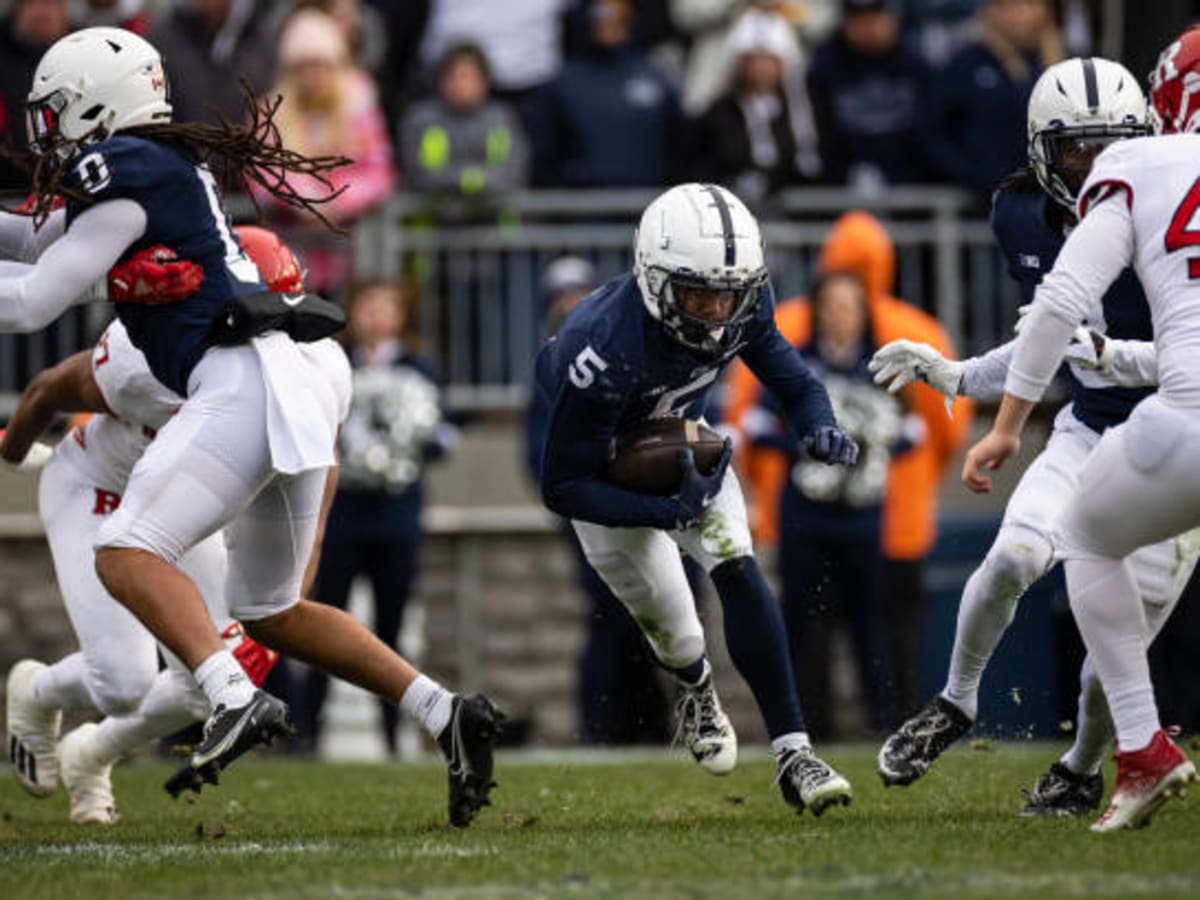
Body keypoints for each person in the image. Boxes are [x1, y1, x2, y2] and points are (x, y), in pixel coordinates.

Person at [0, 28, 501, 827]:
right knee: (271, 610)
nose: (47, 130)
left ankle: (231, 699)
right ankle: (444, 711)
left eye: (56, 111)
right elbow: (37, 238)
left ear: (97, 102)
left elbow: (28, 302)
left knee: (125, 552)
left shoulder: (123, 168)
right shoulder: (160, 172)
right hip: (293, 387)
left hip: (235, 388)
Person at [871, 57, 1200, 824]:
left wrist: (1086, 370)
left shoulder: (1151, 197)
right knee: (1019, 551)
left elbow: (1085, 335)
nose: (1089, 166)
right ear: (1039, 151)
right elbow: (1046, 337)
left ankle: (1083, 768)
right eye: (1073, 150)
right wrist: (956, 379)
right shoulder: (1023, 213)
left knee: (1101, 669)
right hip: (1091, 428)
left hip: (1169, 439)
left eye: (1106, 146)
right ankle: (954, 703)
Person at [533, 182, 859, 816]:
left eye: (725, 294)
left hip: (689, 453)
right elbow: (562, 486)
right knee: (678, 632)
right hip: (606, 481)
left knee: (738, 563)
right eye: (697, 293)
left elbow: (795, 382)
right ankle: (696, 686)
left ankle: (796, 753)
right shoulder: (599, 348)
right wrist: (664, 511)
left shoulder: (744, 296)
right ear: (654, 277)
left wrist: (820, 424)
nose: (714, 309)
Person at [724, 210, 972, 721]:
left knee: (871, 630)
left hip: (871, 514)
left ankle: (878, 725)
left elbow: (744, 417)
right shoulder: (915, 331)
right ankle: (826, 726)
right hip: (822, 512)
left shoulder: (785, 327)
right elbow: (948, 427)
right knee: (832, 628)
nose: (842, 314)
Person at [296, 279, 456, 755]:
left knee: (390, 629)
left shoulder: (418, 368)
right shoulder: (333, 363)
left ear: (402, 315)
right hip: (341, 516)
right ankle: (307, 736)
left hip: (396, 518)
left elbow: (436, 436)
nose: (377, 317)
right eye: (367, 306)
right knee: (322, 624)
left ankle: (393, 737)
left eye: (388, 307)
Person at [525, 255, 672, 745]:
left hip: (651, 507)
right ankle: (600, 726)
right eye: (561, 298)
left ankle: (655, 724)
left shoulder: (633, 349)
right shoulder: (551, 368)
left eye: (578, 296)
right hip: (595, 512)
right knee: (613, 616)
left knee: (666, 618)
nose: (570, 306)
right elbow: (540, 454)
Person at [251, 7, 395, 295]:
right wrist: (305, 202)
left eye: (321, 66)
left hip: (351, 256)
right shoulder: (273, 113)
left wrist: (333, 203)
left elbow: (378, 172)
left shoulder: (359, 108)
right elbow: (261, 174)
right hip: (289, 256)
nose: (314, 76)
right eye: (304, 67)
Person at [528, 0, 681, 188]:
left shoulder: (655, 75)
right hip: (581, 204)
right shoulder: (563, 83)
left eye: (618, 19)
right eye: (603, 18)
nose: (610, 27)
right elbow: (545, 152)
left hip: (648, 198)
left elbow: (677, 144)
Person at [923, 0, 1061, 196]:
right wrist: (974, 178)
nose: (1016, 14)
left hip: (1053, 203)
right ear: (988, 11)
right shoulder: (964, 66)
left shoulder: (1066, 65)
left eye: (1026, 4)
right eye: (1005, 5)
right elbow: (934, 131)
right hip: (985, 205)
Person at [687, 7, 820, 206]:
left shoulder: (802, 113)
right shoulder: (719, 114)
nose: (761, 68)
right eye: (753, 59)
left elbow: (810, 166)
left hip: (792, 220)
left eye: (768, 60)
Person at [806, 0, 934, 188]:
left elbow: (930, 130)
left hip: (910, 182)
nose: (868, 27)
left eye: (875, 18)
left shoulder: (915, 66)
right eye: (858, 19)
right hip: (841, 184)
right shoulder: (825, 68)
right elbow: (819, 132)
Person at [397, 43, 529, 214]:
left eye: (469, 77)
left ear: (485, 81)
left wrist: (458, 181)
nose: (462, 86)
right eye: (456, 77)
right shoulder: (420, 119)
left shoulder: (502, 118)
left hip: (492, 228)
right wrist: (473, 180)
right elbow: (418, 175)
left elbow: (513, 173)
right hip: (433, 229)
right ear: (442, 81)